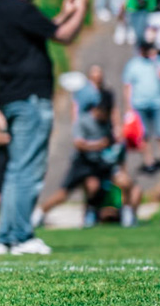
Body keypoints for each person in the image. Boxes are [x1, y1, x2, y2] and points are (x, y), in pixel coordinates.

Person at [0, 0, 90, 255]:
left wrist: (63, 13)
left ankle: (6, 238)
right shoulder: (20, 8)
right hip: (31, 99)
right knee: (28, 170)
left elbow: (45, 27)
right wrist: (81, 9)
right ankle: (21, 236)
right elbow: (63, 35)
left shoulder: (2, 8)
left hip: (12, 98)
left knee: (15, 170)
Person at [38, 92, 137, 228]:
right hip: (83, 163)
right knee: (63, 194)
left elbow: (114, 145)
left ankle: (127, 216)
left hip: (101, 164)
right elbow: (78, 143)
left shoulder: (107, 123)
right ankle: (38, 214)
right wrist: (98, 145)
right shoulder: (84, 121)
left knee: (124, 182)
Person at [121, 47, 160, 172]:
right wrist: (128, 107)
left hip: (157, 102)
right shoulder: (132, 65)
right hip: (139, 104)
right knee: (143, 135)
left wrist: (155, 62)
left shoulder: (159, 61)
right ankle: (149, 162)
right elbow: (128, 86)